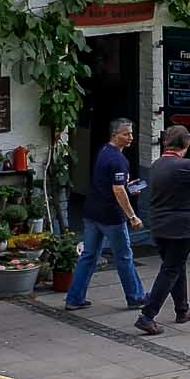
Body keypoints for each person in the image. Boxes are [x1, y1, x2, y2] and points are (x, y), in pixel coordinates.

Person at [135, 125, 190, 335]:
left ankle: (182, 309)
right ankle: (147, 316)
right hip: (181, 227)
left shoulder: (156, 164)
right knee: (170, 270)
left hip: (159, 225)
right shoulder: (187, 165)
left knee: (176, 266)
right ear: (186, 143)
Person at [67, 118, 147, 313]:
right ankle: (135, 297)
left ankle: (74, 298)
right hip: (111, 216)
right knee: (124, 257)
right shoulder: (119, 160)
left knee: (88, 256)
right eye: (126, 134)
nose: (130, 137)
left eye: (131, 133)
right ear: (114, 135)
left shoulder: (104, 151)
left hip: (91, 212)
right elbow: (117, 190)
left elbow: (112, 184)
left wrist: (127, 187)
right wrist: (132, 216)